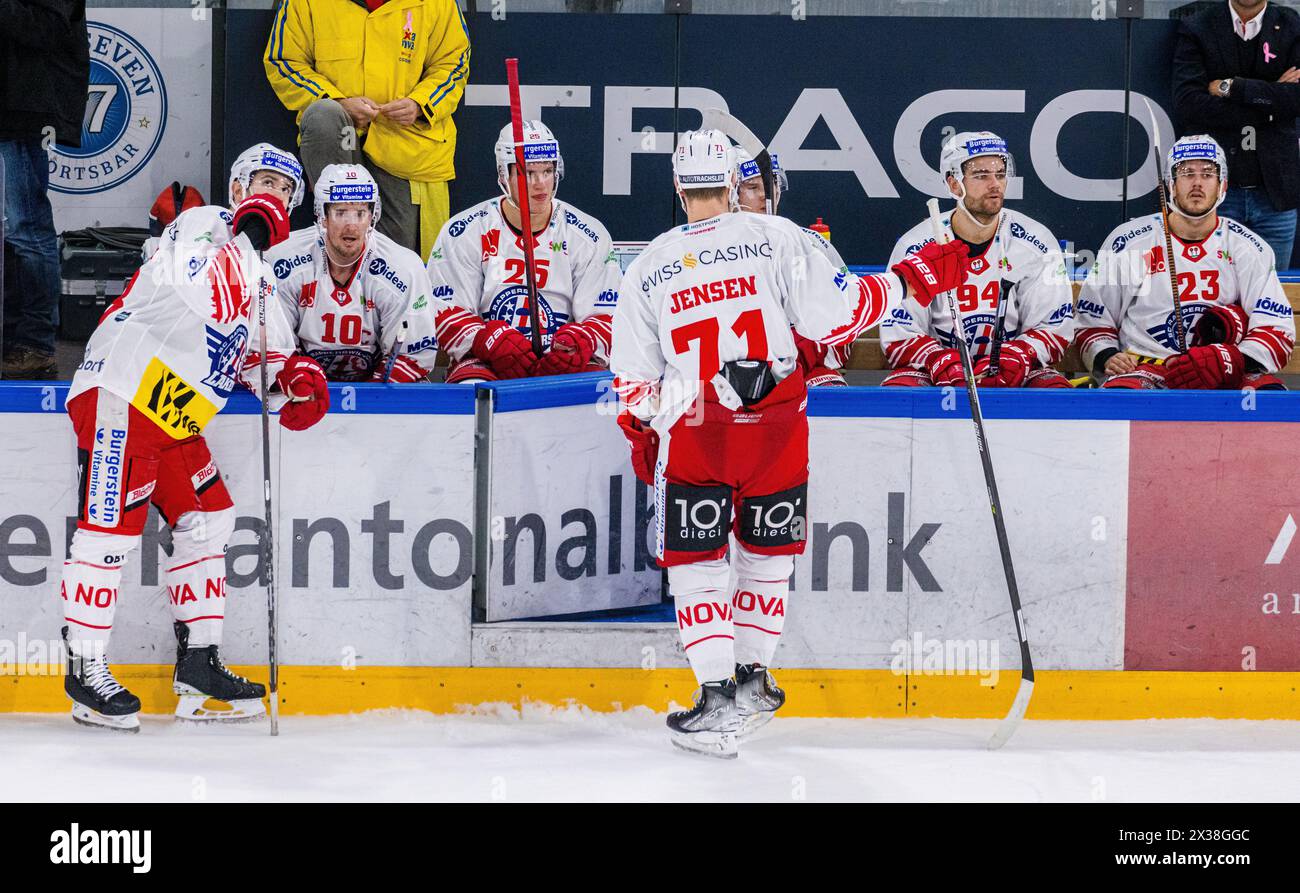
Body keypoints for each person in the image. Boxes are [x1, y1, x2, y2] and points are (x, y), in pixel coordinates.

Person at [609, 129, 969, 758]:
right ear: (733, 181)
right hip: (778, 427)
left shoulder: (645, 266)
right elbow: (841, 317)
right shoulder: (781, 236)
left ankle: (718, 696)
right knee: (767, 557)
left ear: (676, 185)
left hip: (698, 430)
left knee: (698, 569)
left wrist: (655, 423)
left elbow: (632, 387)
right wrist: (907, 283)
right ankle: (754, 677)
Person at [57, 143, 330, 732]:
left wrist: (292, 383)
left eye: (285, 190)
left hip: (177, 414)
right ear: (237, 189)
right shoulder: (200, 224)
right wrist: (249, 235)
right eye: (263, 182)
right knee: (109, 535)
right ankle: (84, 667)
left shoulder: (263, 279)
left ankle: (199, 664)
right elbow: (200, 289)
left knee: (210, 520)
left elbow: (264, 360)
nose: (274, 195)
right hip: (124, 393)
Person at [1077, 135, 1294, 389]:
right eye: (1187, 173)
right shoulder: (1128, 242)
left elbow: (1275, 328)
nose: (1197, 183)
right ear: (1171, 184)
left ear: (1222, 185)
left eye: (1208, 174)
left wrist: (1231, 361)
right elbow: (1092, 319)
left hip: (1220, 370)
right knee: (1121, 398)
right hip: (1146, 368)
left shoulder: (1248, 247)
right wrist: (1106, 355)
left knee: (1268, 399)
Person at [263, 0, 470, 259]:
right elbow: (284, 61)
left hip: (404, 143)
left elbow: (454, 63)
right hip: (341, 137)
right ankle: (334, 234)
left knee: (394, 261)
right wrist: (337, 102)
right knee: (324, 114)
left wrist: (420, 104)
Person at [427, 121, 622, 382]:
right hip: (485, 360)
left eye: (548, 171)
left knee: (601, 389)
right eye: (528, 173)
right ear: (502, 176)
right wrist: (487, 340)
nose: (541, 184)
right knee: (471, 389)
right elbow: (443, 310)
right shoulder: (463, 231)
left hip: (560, 361)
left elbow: (608, 314)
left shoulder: (588, 234)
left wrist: (579, 342)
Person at [882, 132, 1074, 389]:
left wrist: (1017, 355)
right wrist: (939, 360)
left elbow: (1053, 325)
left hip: (1013, 369)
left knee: (1054, 394)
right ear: (953, 184)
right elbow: (900, 330)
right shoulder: (916, 246)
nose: (995, 184)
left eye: (1000, 174)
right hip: (936, 372)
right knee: (901, 393)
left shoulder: (1035, 242)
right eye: (981, 176)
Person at [267, 163, 441, 382]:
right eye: (340, 213)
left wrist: (371, 402)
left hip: (378, 389)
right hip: (304, 386)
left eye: (360, 213)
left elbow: (412, 356)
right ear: (323, 216)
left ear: (372, 216)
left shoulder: (403, 267)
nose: (351, 226)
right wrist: (302, 385)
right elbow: (274, 349)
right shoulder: (282, 260)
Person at [1172, 0, 1300, 269]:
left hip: (1274, 196)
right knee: (1209, 293)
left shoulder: (1292, 25)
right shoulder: (1198, 26)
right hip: (1214, 193)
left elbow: (1295, 99)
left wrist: (1232, 88)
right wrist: (1270, 98)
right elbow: (1189, 104)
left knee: (1273, 296)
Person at [0, 0, 88, 379]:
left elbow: (47, 29)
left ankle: (35, 343)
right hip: (12, 106)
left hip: (26, 109)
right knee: (16, 232)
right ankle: (13, 338)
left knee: (27, 229)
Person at [733, 146, 851, 387]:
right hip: (734, 376)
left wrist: (798, 354)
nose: (767, 196)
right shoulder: (714, 250)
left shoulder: (812, 243)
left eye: (772, 184)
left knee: (830, 390)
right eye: (753, 187)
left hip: (807, 374)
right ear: (731, 192)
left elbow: (846, 316)